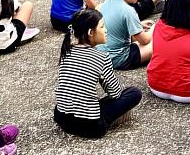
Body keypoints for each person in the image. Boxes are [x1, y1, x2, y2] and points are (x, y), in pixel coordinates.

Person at [54, 10, 142, 138]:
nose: (106, 30)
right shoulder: (102, 57)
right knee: (134, 93)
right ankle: (110, 120)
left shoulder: (66, 51)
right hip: (91, 127)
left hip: (62, 118)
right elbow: (115, 93)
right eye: (102, 27)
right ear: (90, 33)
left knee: (79, 99)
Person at [98, 0, 153, 70]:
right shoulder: (128, 10)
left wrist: (138, 24)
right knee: (157, 43)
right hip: (118, 58)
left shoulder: (109, 0)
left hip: (102, 55)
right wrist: (154, 29)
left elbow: (117, 23)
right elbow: (145, 40)